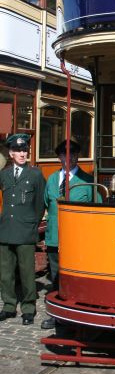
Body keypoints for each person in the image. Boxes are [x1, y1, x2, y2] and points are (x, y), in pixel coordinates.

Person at [41, 139, 100, 330]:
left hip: (77, 239)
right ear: (59, 157)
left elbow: (97, 209)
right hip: (54, 237)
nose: (69, 159)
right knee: (56, 276)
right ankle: (56, 314)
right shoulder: (51, 179)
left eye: (73, 155)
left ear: (78, 156)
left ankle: (76, 313)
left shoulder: (86, 180)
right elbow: (45, 204)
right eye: (64, 155)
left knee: (74, 278)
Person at [0, 134, 45, 325]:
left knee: (27, 272)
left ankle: (28, 308)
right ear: (10, 153)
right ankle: (9, 306)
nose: (22, 153)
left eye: (24, 150)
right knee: (5, 272)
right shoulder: (4, 174)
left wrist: (32, 223)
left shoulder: (35, 174)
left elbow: (39, 203)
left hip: (26, 230)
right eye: (18, 150)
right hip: (6, 229)